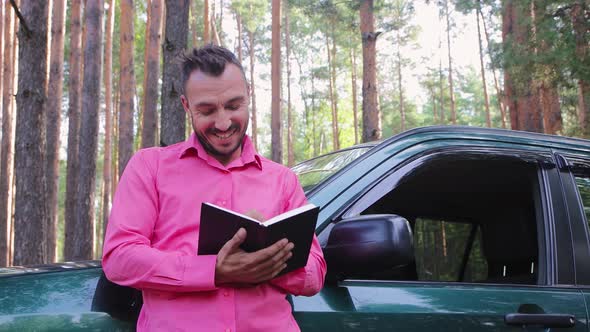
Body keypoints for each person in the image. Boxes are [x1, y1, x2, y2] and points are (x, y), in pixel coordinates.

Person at [102, 45, 326, 332]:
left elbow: (315, 274)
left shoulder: (282, 180)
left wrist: (265, 260)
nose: (223, 123)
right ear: (186, 106)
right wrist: (213, 271)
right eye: (207, 110)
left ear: (249, 94)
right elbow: (120, 258)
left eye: (234, 106)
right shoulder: (150, 167)